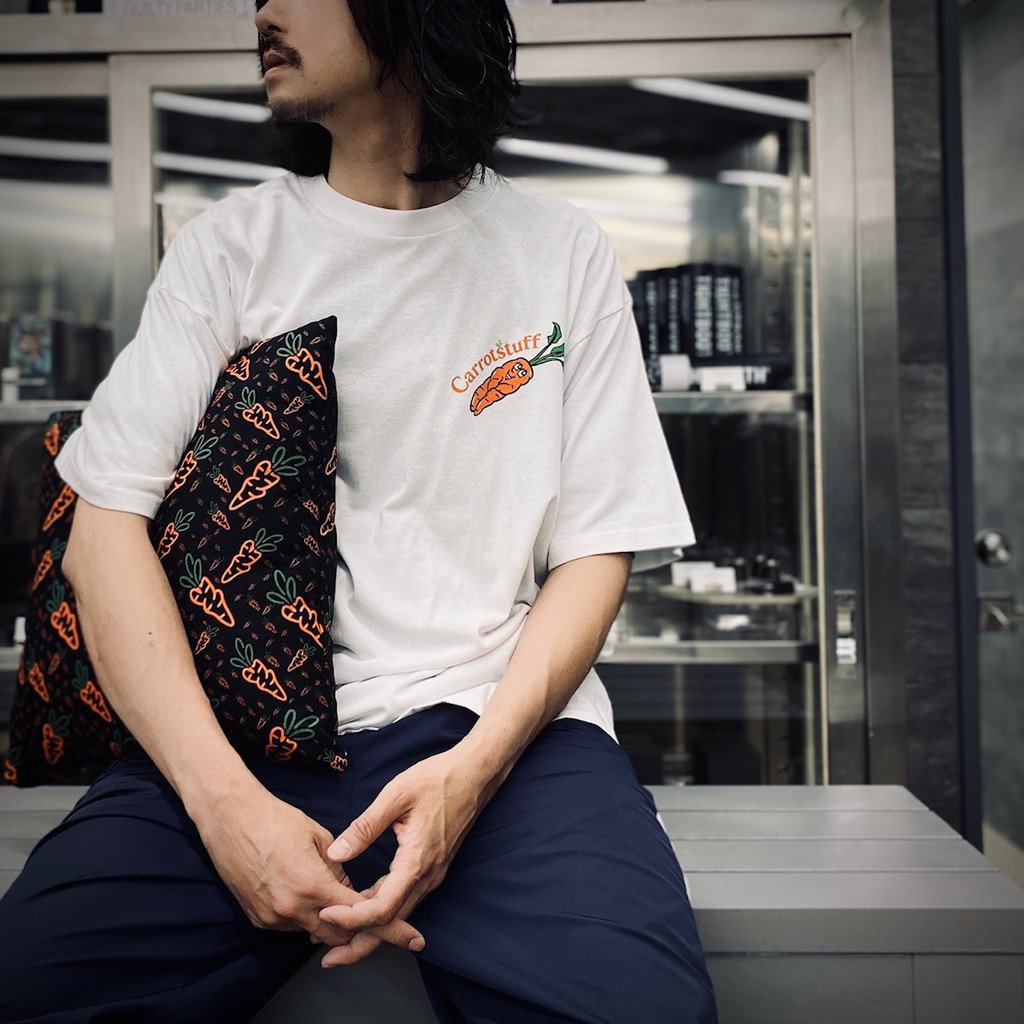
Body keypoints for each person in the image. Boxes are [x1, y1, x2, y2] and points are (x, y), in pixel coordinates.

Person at [0, 1, 720, 1021]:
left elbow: (596, 550)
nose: (265, 9)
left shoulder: (559, 249)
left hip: (504, 735)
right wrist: (226, 808)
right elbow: (100, 527)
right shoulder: (233, 247)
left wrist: (473, 774)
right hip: (242, 737)